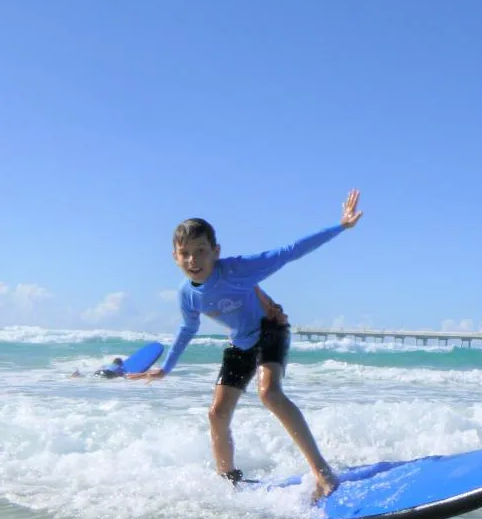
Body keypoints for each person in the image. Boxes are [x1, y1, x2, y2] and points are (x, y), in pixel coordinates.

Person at [129, 189, 363, 497]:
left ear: (215, 251)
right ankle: (229, 482)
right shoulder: (187, 294)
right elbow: (188, 328)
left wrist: (340, 226)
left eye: (201, 250)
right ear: (175, 257)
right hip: (239, 343)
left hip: (270, 330)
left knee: (269, 393)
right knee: (216, 414)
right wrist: (166, 368)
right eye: (185, 253)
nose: (193, 259)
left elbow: (289, 251)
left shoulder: (237, 269)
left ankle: (322, 473)